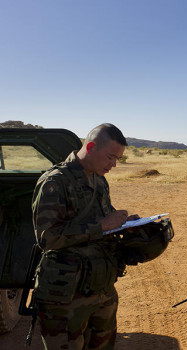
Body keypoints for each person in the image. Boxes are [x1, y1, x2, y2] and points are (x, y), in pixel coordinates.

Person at [31, 123, 137, 350]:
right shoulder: (55, 182)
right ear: (90, 147)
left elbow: (103, 218)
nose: (114, 164)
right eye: (110, 157)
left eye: (117, 159)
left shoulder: (99, 180)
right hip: (65, 296)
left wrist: (123, 223)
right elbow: (47, 238)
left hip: (100, 287)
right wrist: (100, 226)